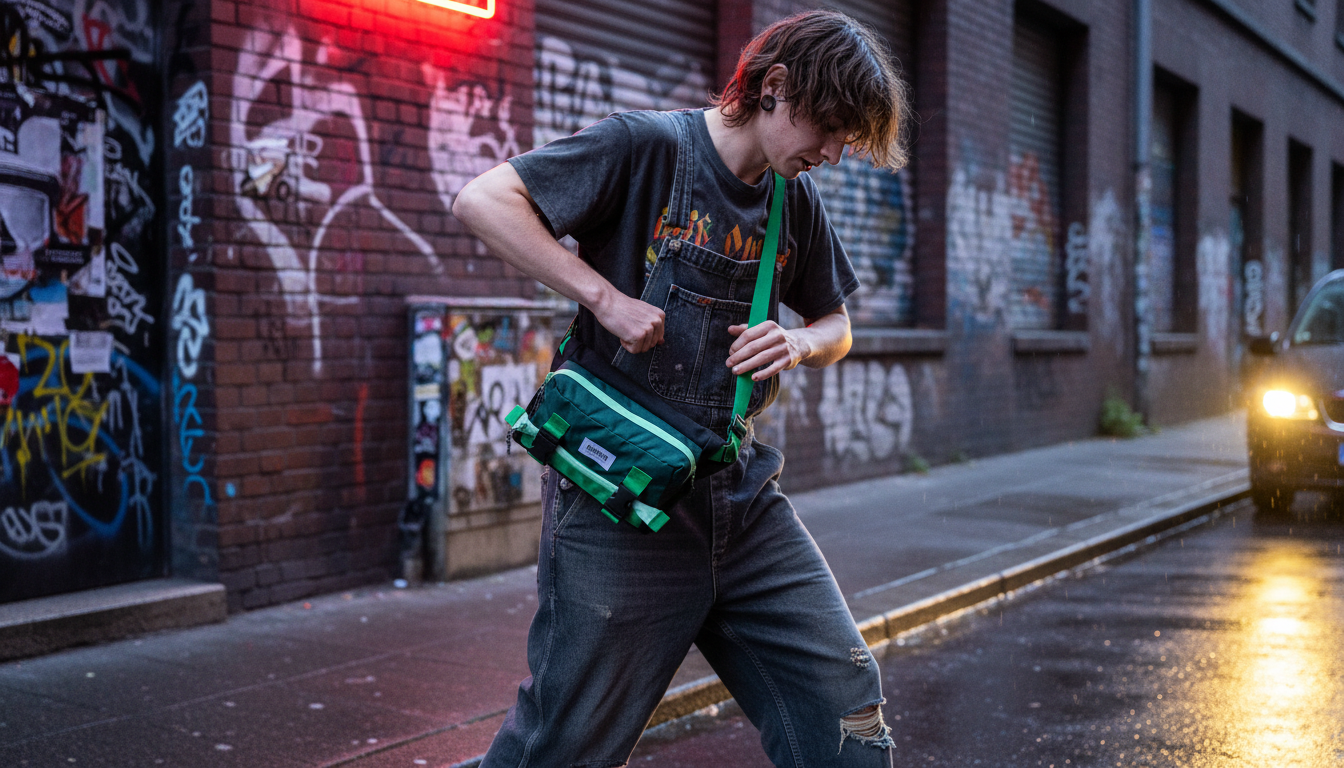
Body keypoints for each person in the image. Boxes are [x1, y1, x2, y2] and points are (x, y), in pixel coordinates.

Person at [453, 9, 910, 766]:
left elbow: (838, 323)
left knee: (846, 709)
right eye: (828, 127)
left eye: (846, 139)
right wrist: (604, 298)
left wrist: (799, 340)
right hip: (622, 505)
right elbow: (483, 201)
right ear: (774, 86)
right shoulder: (645, 147)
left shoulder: (792, 199)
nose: (833, 152)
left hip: (743, 503)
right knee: (567, 744)